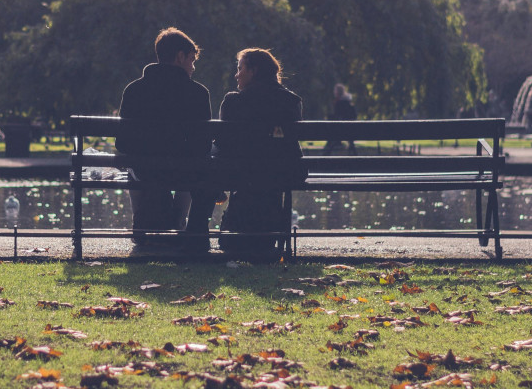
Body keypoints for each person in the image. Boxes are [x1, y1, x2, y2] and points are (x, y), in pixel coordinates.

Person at [117, 28, 213, 252]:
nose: (193, 66)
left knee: (135, 165)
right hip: (183, 171)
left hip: (145, 170)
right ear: (180, 57)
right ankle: (178, 223)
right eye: (191, 59)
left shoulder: (134, 90)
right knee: (194, 167)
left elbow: (122, 143)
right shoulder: (198, 93)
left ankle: (145, 225)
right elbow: (203, 145)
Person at [214, 48, 305, 258]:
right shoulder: (291, 102)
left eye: (240, 69)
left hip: (242, 173)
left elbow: (223, 143)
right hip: (282, 173)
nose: (236, 75)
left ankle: (196, 234)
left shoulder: (234, 102)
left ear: (253, 71)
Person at [326, 83, 358, 154]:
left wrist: (330, 117)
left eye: (335, 90)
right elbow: (353, 115)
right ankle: (354, 153)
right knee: (349, 140)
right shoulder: (348, 102)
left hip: (342, 127)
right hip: (350, 127)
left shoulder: (339, 102)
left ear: (337, 92)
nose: (334, 92)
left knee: (333, 135)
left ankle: (327, 152)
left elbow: (337, 115)